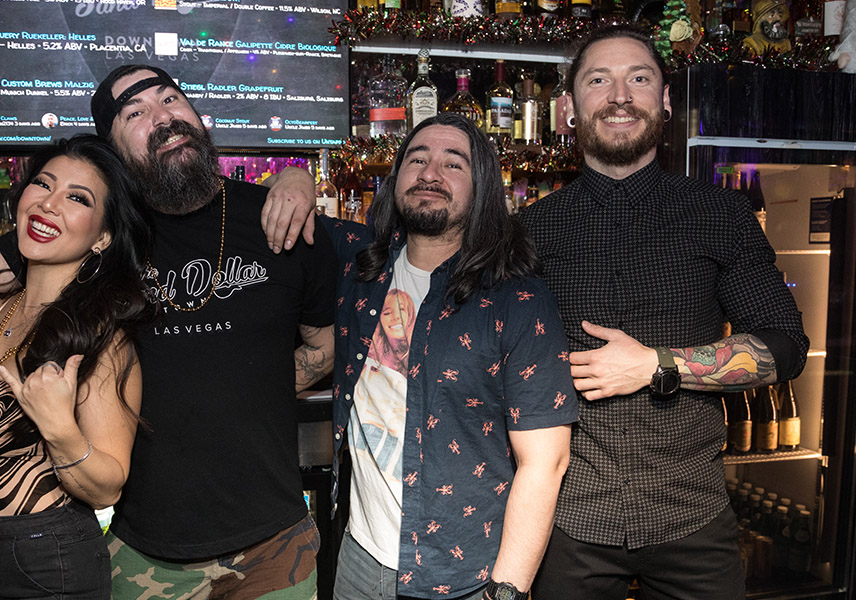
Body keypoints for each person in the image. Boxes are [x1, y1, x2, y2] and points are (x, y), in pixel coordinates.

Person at [0, 65, 336, 600]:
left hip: (275, 547)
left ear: (198, 115)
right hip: (143, 554)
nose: (163, 118)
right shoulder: (99, 231)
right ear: (115, 151)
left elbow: (325, 344)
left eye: (171, 99)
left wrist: (246, 384)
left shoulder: (279, 219)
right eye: (135, 113)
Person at [521, 25, 809, 600]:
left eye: (639, 78)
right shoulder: (528, 230)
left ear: (666, 100)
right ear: (569, 108)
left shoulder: (721, 215)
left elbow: (785, 346)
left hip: (693, 522)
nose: (620, 96)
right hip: (568, 523)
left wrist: (657, 364)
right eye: (598, 80)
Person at [326, 113, 578, 600]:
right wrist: (293, 180)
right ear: (395, 178)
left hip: (463, 577)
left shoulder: (518, 299)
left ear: (482, 187)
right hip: (358, 562)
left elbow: (546, 463)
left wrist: (506, 592)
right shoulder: (361, 268)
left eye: (453, 164)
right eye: (417, 159)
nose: (430, 173)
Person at [0, 134, 155, 598]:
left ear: (103, 237)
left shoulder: (100, 338)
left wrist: (58, 427)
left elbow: (108, 488)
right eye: (43, 184)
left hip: (44, 556)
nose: (48, 204)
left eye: (77, 198)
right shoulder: (2, 307)